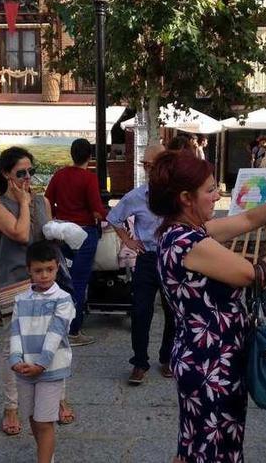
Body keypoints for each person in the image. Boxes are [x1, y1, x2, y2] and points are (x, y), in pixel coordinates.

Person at [149, 150, 266, 462]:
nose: (216, 195)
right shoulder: (188, 242)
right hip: (210, 365)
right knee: (213, 451)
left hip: (204, 358)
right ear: (186, 198)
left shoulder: (181, 231)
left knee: (193, 447)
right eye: (210, 190)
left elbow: (249, 218)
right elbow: (256, 275)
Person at [0, 146, 75, 435]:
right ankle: (11, 405)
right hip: (14, 280)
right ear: (6, 175)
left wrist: (63, 234)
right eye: (20, 173)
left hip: (45, 278)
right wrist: (24, 203)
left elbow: (45, 237)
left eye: (30, 172)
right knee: (14, 344)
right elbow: (21, 234)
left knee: (55, 338)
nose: (27, 178)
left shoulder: (43, 201)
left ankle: (58, 398)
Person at [106, 145, 175, 385]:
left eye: (152, 164)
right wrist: (128, 239)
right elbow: (113, 218)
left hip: (173, 259)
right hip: (147, 258)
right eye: (145, 165)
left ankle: (167, 358)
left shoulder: (178, 194)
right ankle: (139, 362)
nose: (148, 169)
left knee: (173, 312)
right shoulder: (136, 196)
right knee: (140, 311)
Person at [8, 240, 75, 463]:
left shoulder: (63, 299)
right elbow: (15, 331)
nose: (45, 275)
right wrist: (16, 360)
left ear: (57, 267)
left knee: (45, 422)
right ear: (29, 270)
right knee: (33, 420)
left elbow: (56, 334)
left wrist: (42, 364)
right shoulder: (20, 299)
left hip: (51, 369)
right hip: (25, 370)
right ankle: (47, 456)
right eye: (38, 270)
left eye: (50, 269)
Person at [44, 138, 107, 346]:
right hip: (84, 233)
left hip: (62, 232)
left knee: (61, 279)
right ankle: (74, 329)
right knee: (79, 282)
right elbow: (97, 209)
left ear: (71, 154)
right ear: (90, 156)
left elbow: (47, 199)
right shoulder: (89, 178)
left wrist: (55, 216)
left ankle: (57, 323)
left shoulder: (60, 174)